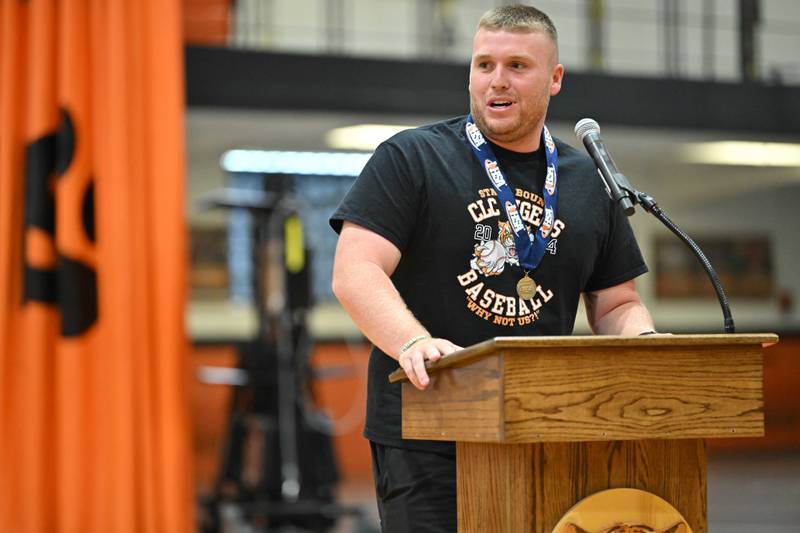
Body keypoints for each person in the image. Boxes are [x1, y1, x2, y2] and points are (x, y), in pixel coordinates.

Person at [329, 4, 657, 532]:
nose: (496, 81)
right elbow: (355, 271)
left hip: (545, 423)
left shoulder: (587, 181)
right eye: (484, 65)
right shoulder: (413, 157)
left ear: (554, 79)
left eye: (516, 66)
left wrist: (645, 345)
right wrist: (414, 342)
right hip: (428, 428)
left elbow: (617, 302)